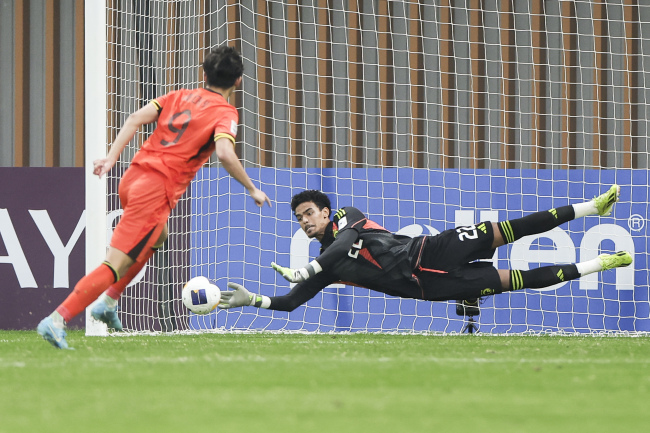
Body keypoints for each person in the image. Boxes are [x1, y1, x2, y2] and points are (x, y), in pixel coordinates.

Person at [38, 45, 271, 349]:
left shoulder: (178, 95)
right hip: (155, 189)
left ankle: (108, 302)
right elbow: (225, 153)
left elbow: (135, 118)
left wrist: (111, 158)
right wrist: (252, 188)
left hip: (133, 176)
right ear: (238, 81)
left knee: (159, 236)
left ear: (204, 73)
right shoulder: (226, 112)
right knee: (113, 265)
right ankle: (58, 318)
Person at [218, 185, 632, 312]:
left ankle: (590, 206)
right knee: (514, 280)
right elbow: (291, 302)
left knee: (505, 229)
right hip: (427, 286)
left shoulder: (347, 216)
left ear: (326, 211)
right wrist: (252, 299)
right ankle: (600, 262)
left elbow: (346, 241)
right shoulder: (326, 267)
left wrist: (308, 268)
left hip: (429, 249)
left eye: (309, 213)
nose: (305, 222)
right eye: (299, 219)